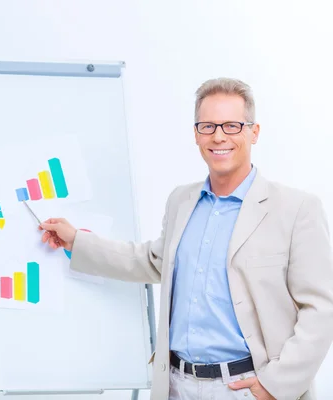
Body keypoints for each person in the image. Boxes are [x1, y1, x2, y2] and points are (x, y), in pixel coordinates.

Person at [39, 77, 333, 400]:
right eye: (207, 126)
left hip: (246, 387)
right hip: (176, 385)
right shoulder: (181, 201)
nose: (218, 136)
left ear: (254, 132)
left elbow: (321, 309)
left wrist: (273, 387)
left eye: (232, 125)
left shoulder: (296, 209)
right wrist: (76, 242)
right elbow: (152, 261)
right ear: (196, 134)